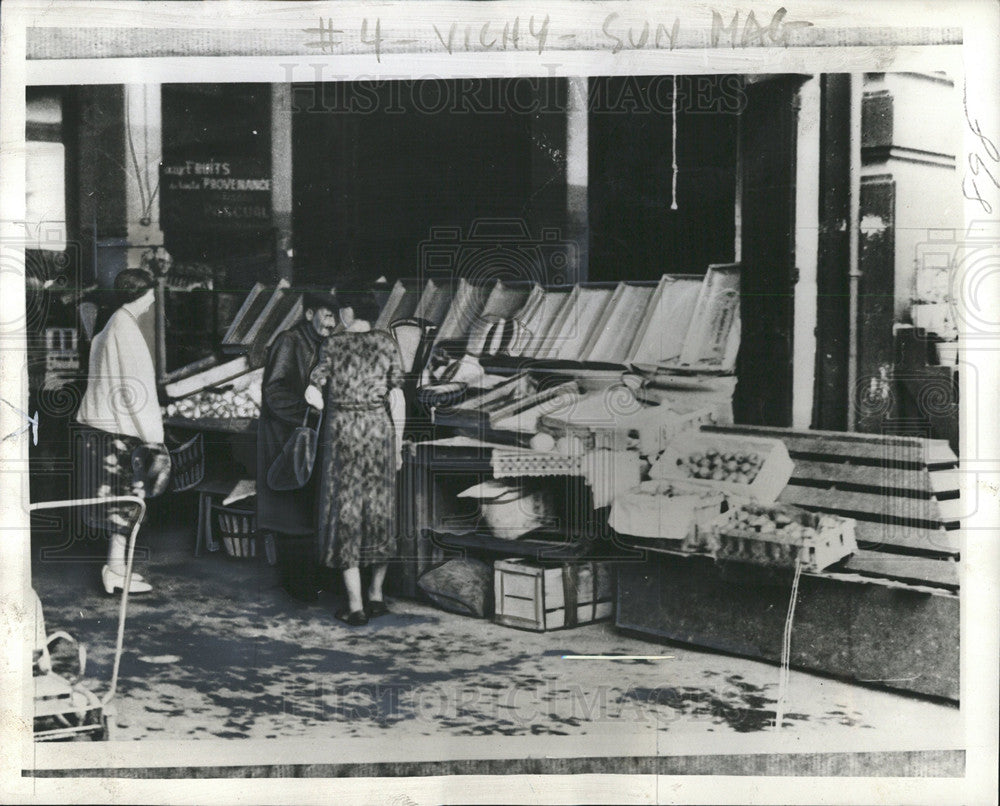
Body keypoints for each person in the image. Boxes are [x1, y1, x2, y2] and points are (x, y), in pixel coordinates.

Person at [306, 291, 404, 626]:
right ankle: (377, 595)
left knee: (345, 510)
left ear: (348, 310)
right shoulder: (388, 342)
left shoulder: (333, 344)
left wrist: (324, 403)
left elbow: (314, 389)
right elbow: (397, 393)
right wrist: (399, 446)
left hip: (344, 431)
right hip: (379, 429)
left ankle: (355, 605)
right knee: (379, 508)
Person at [75, 268, 169, 595]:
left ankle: (117, 568)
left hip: (99, 426)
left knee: (118, 505)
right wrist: (154, 436)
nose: (154, 300)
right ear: (140, 295)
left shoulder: (111, 322)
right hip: (117, 431)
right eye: (151, 294)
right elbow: (135, 390)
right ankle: (115, 571)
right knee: (126, 504)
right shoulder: (125, 328)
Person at [257, 289, 338, 602]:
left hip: (309, 436)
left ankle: (310, 581)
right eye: (327, 314)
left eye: (336, 316)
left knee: (308, 510)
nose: (333, 322)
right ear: (309, 314)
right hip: (287, 440)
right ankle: (298, 586)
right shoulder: (290, 341)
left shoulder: (322, 344)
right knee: (291, 514)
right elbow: (274, 392)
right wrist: (308, 411)